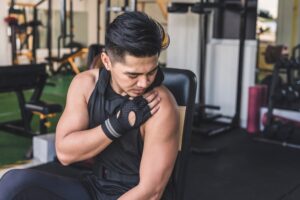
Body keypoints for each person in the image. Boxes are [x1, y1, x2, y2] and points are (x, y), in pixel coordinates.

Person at [0, 11, 179, 200]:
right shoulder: (85, 84)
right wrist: (116, 125)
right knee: (15, 183)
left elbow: (151, 192)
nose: (144, 83)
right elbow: (64, 153)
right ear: (107, 61)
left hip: (133, 194)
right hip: (94, 186)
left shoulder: (160, 105)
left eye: (151, 72)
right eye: (133, 75)